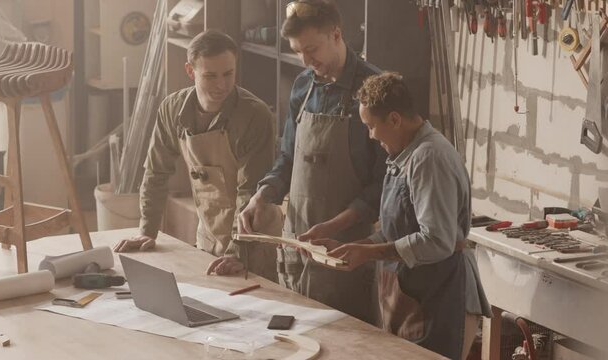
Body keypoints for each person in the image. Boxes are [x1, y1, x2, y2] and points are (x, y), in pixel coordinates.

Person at [312, 72, 491, 359]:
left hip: (439, 297)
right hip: (413, 296)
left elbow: (436, 241)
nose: (370, 135)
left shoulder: (428, 158)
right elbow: (395, 231)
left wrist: (368, 254)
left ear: (394, 119)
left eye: (371, 126)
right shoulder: (404, 154)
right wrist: (356, 247)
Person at [235, 0, 387, 324]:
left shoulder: (374, 91)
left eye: (311, 49)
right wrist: (261, 196)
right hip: (296, 248)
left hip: (344, 253)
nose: (305, 60)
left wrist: (333, 227)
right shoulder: (303, 86)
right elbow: (288, 157)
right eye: (297, 51)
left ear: (336, 34)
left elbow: (381, 186)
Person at [113, 30, 282, 281]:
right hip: (209, 231)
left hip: (253, 236)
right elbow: (156, 172)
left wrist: (238, 252)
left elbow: (250, 192)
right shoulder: (172, 109)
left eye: (228, 74)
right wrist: (148, 230)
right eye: (210, 76)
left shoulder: (254, 116)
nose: (221, 85)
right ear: (190, 71)